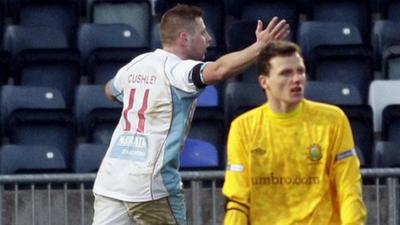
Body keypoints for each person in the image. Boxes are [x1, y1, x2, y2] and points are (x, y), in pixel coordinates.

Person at [91, 3, 290, 225]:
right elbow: (220, 70)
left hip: (110, 182)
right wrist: (260, 47)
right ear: (184, 38)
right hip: (150, 186)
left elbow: (110, 90)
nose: (209, 39)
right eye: (203, 33)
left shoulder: (137, 64)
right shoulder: (177, 70)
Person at [222, 40, 367, 225]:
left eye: (300, 71)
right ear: (264, 81)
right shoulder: (243, 128)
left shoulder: (333, 120)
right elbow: (238, 200)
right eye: (286, 73)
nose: (297, 79)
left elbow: (348, 188)